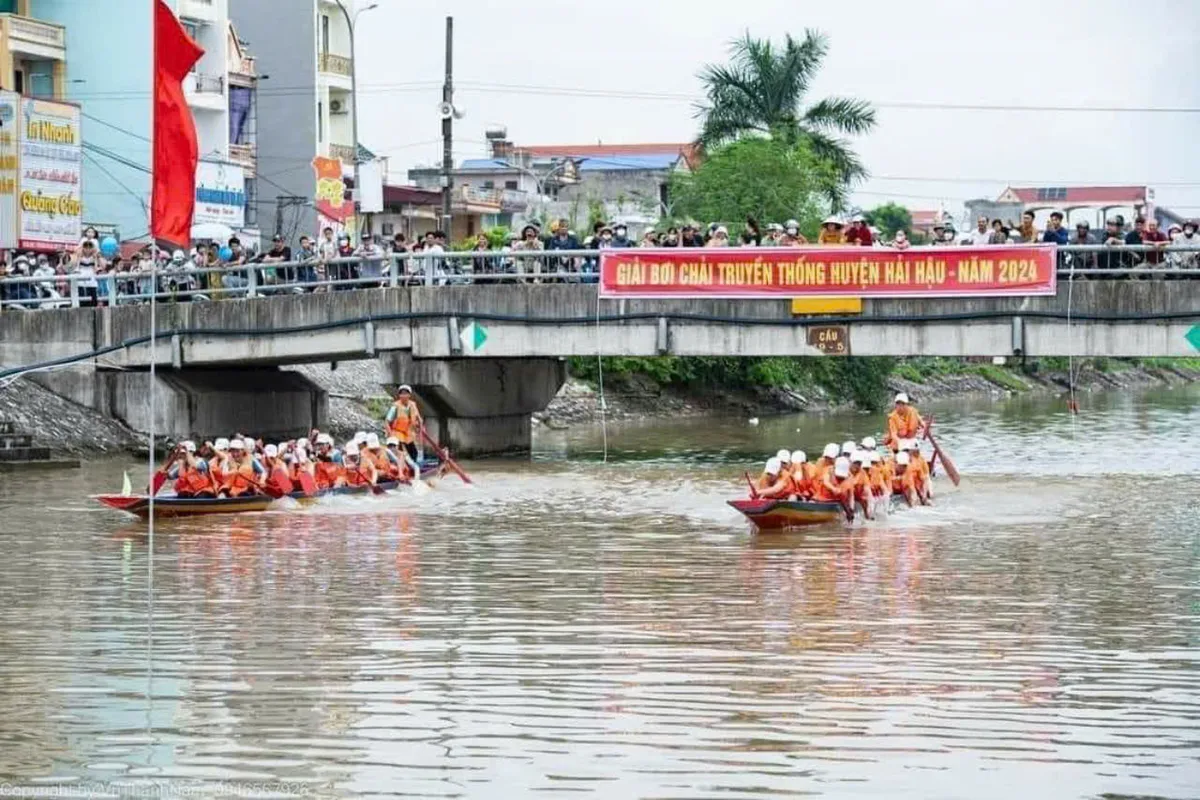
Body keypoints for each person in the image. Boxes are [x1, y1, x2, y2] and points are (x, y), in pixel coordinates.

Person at [385, 384, 423, 462]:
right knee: (399, 452)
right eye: (402, 393)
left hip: (408, 432)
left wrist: (419, 429)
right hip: (397, 432)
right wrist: (390, 434)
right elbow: (387, 421)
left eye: (406, 393)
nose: (403, 395)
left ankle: (412, 466)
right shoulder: (395, 406)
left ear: (409, 395)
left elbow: (418, 418)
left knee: (413, 452)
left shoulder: (412, 405)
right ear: (399, 395)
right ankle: (400, 465)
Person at [848, 453, 874, 520]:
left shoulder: (862, 473)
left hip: (858, 495)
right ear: (850, 462)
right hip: (846, 495)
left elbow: (868, 489)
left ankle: (867, 515)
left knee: (864, 499)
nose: (857, 466)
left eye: (859, 464)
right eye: (855, 463)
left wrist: (871, 504)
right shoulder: (844, 470)